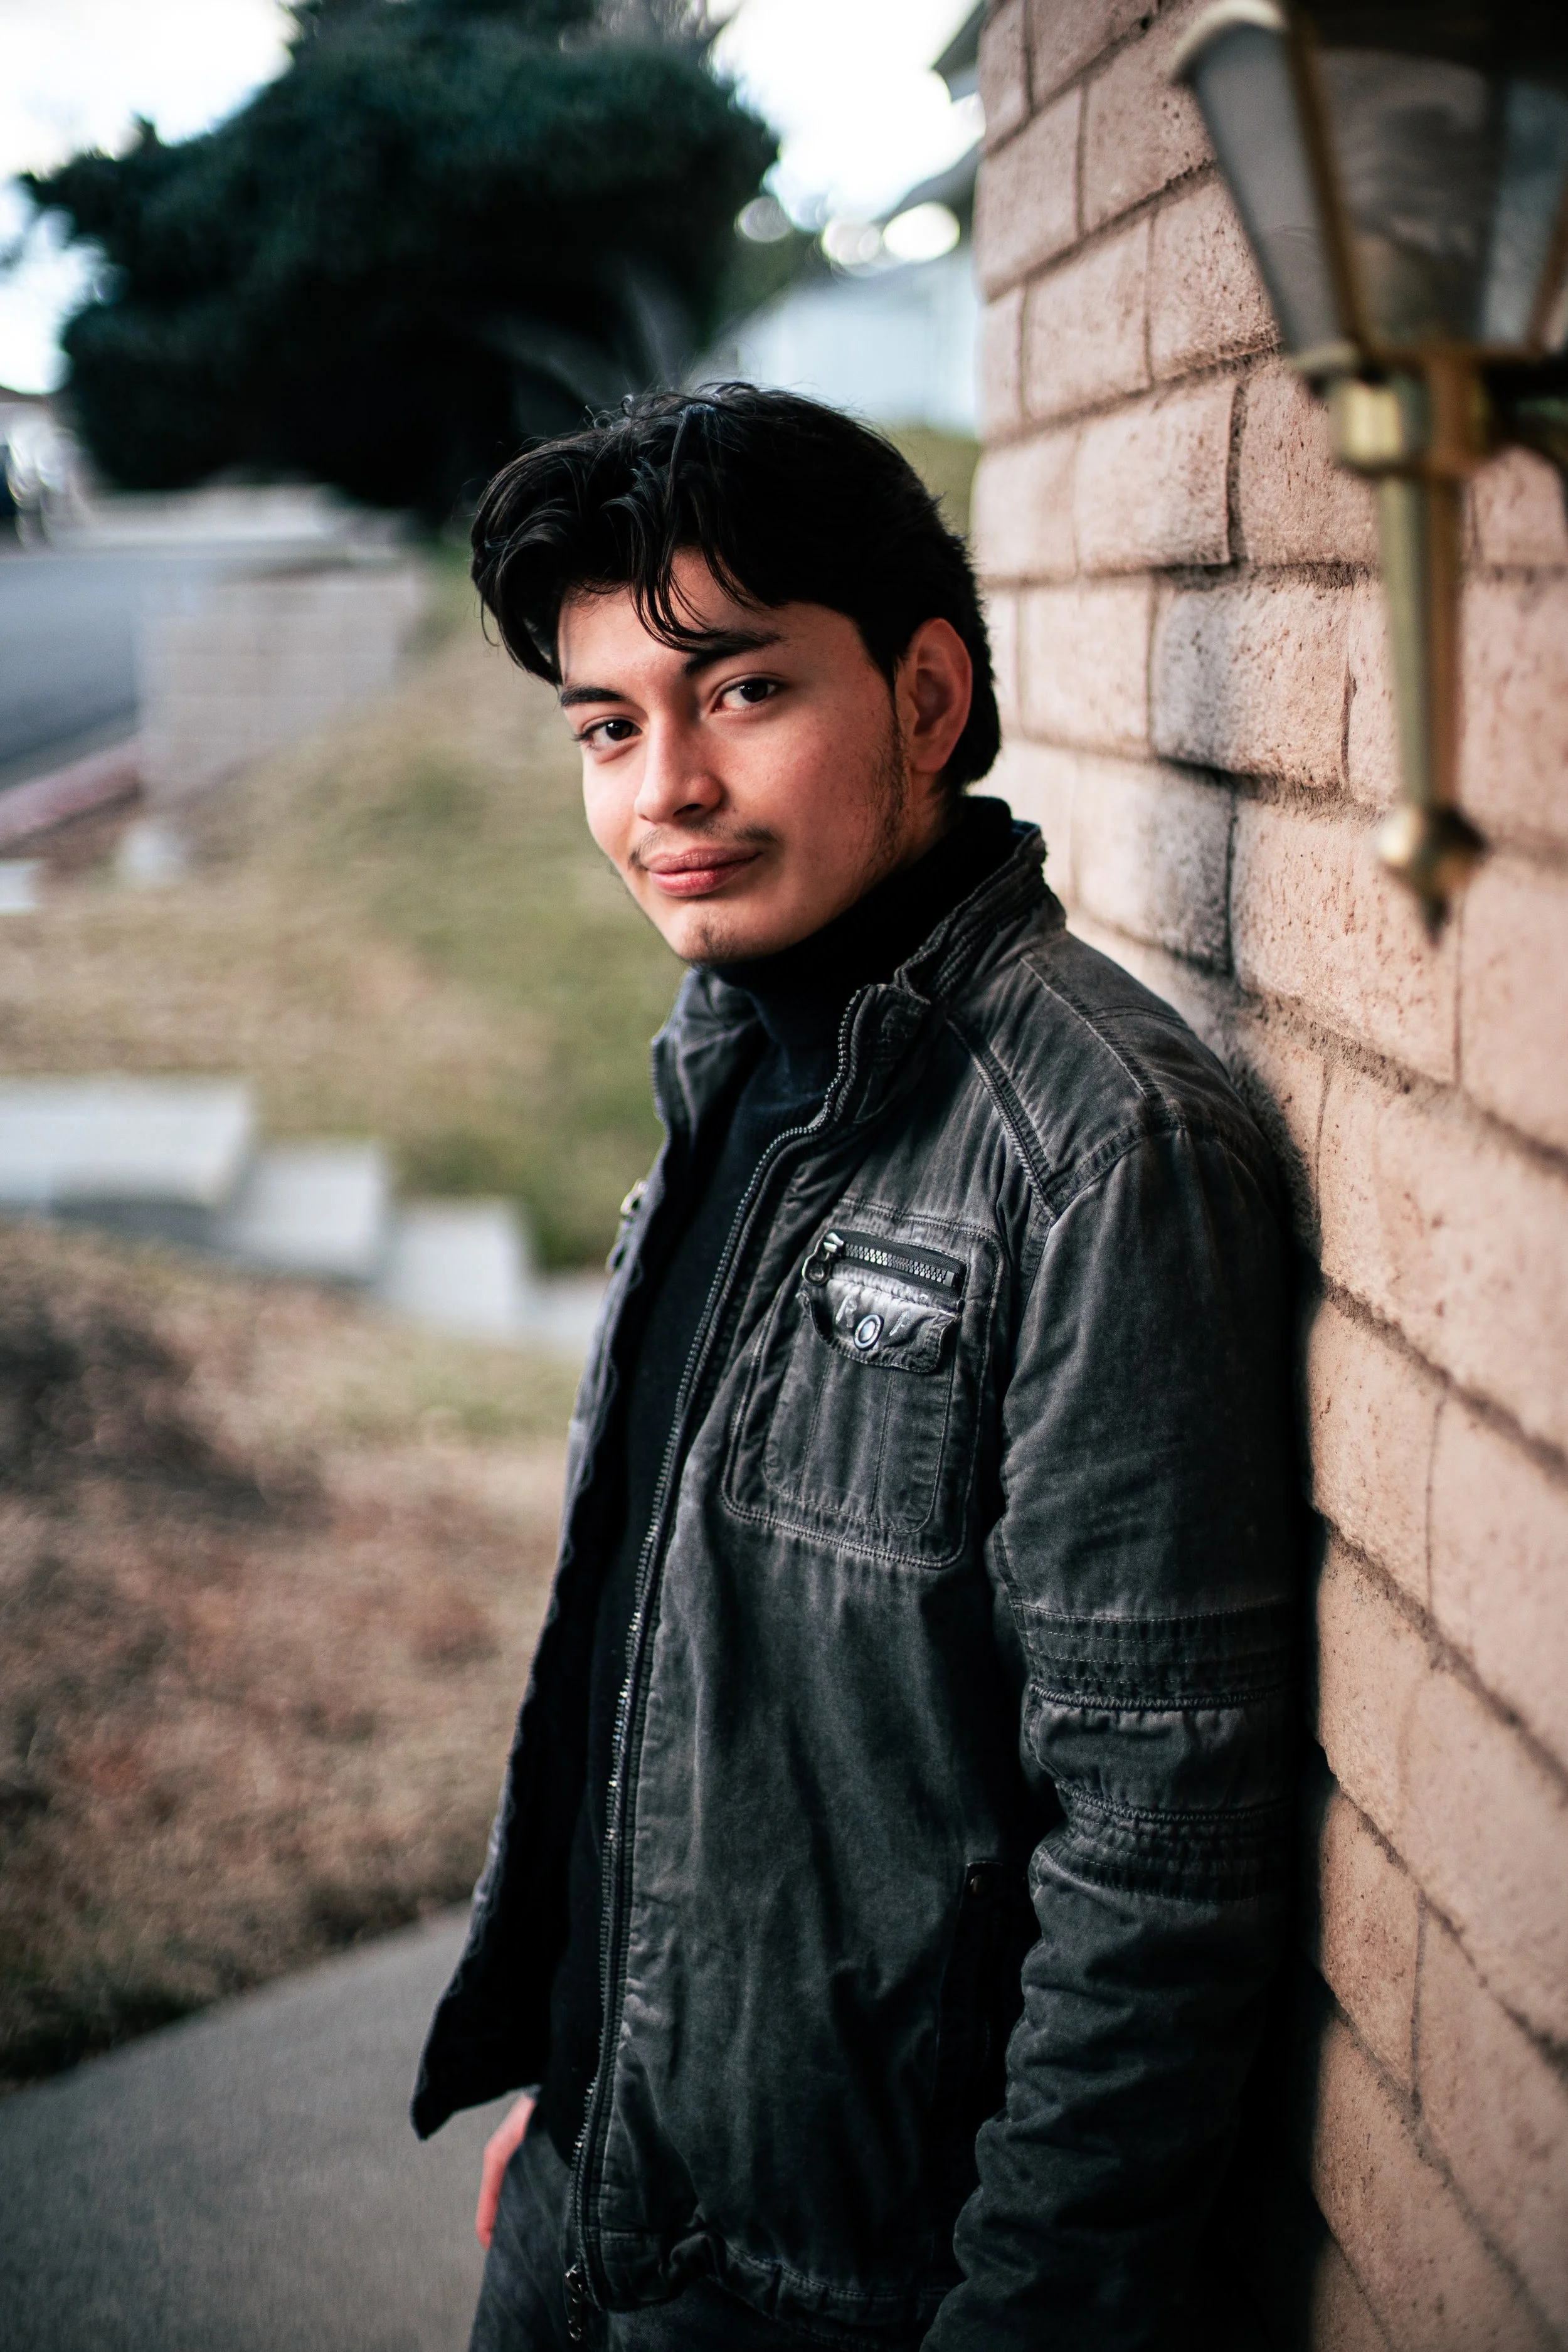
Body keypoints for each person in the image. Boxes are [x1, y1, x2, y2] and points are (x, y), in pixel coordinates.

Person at [412, 384, 1300, 2350]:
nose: (666, 790)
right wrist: (589, 2090)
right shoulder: (732, 1057)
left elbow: (1158, 1857)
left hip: (844, 2301)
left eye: (740, 691)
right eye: (607, 726)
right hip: (594, 2202)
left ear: (924, 694)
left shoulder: (1100, 1153)